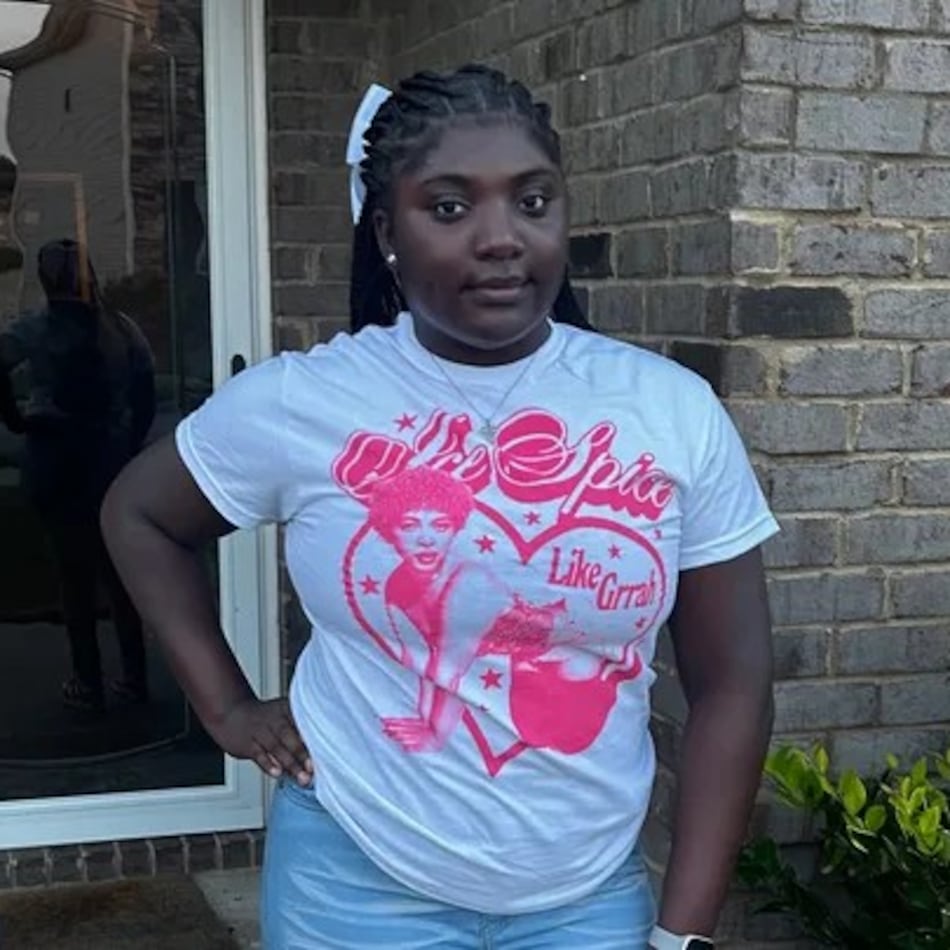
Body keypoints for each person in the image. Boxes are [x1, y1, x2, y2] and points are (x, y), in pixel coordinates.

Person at [101, 65, 778, 949]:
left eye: (532, 202)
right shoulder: (305, 400)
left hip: (586, 897)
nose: (501, 239)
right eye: (450, 208)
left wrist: (682, 934)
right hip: (353, 885)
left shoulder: (669, 409)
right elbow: (140, 515)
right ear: (387, 231)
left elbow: (733, 681)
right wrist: (225, 709)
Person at [0, 239, 154, 711]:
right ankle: (134, 677)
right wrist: (130, 442)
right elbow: (145, 392)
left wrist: (17, 420)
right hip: (108, 458)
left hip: (56, 458)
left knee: (74, 576)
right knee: (120, 573)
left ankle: (88, 681)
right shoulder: (120, 328)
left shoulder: (36, 328)